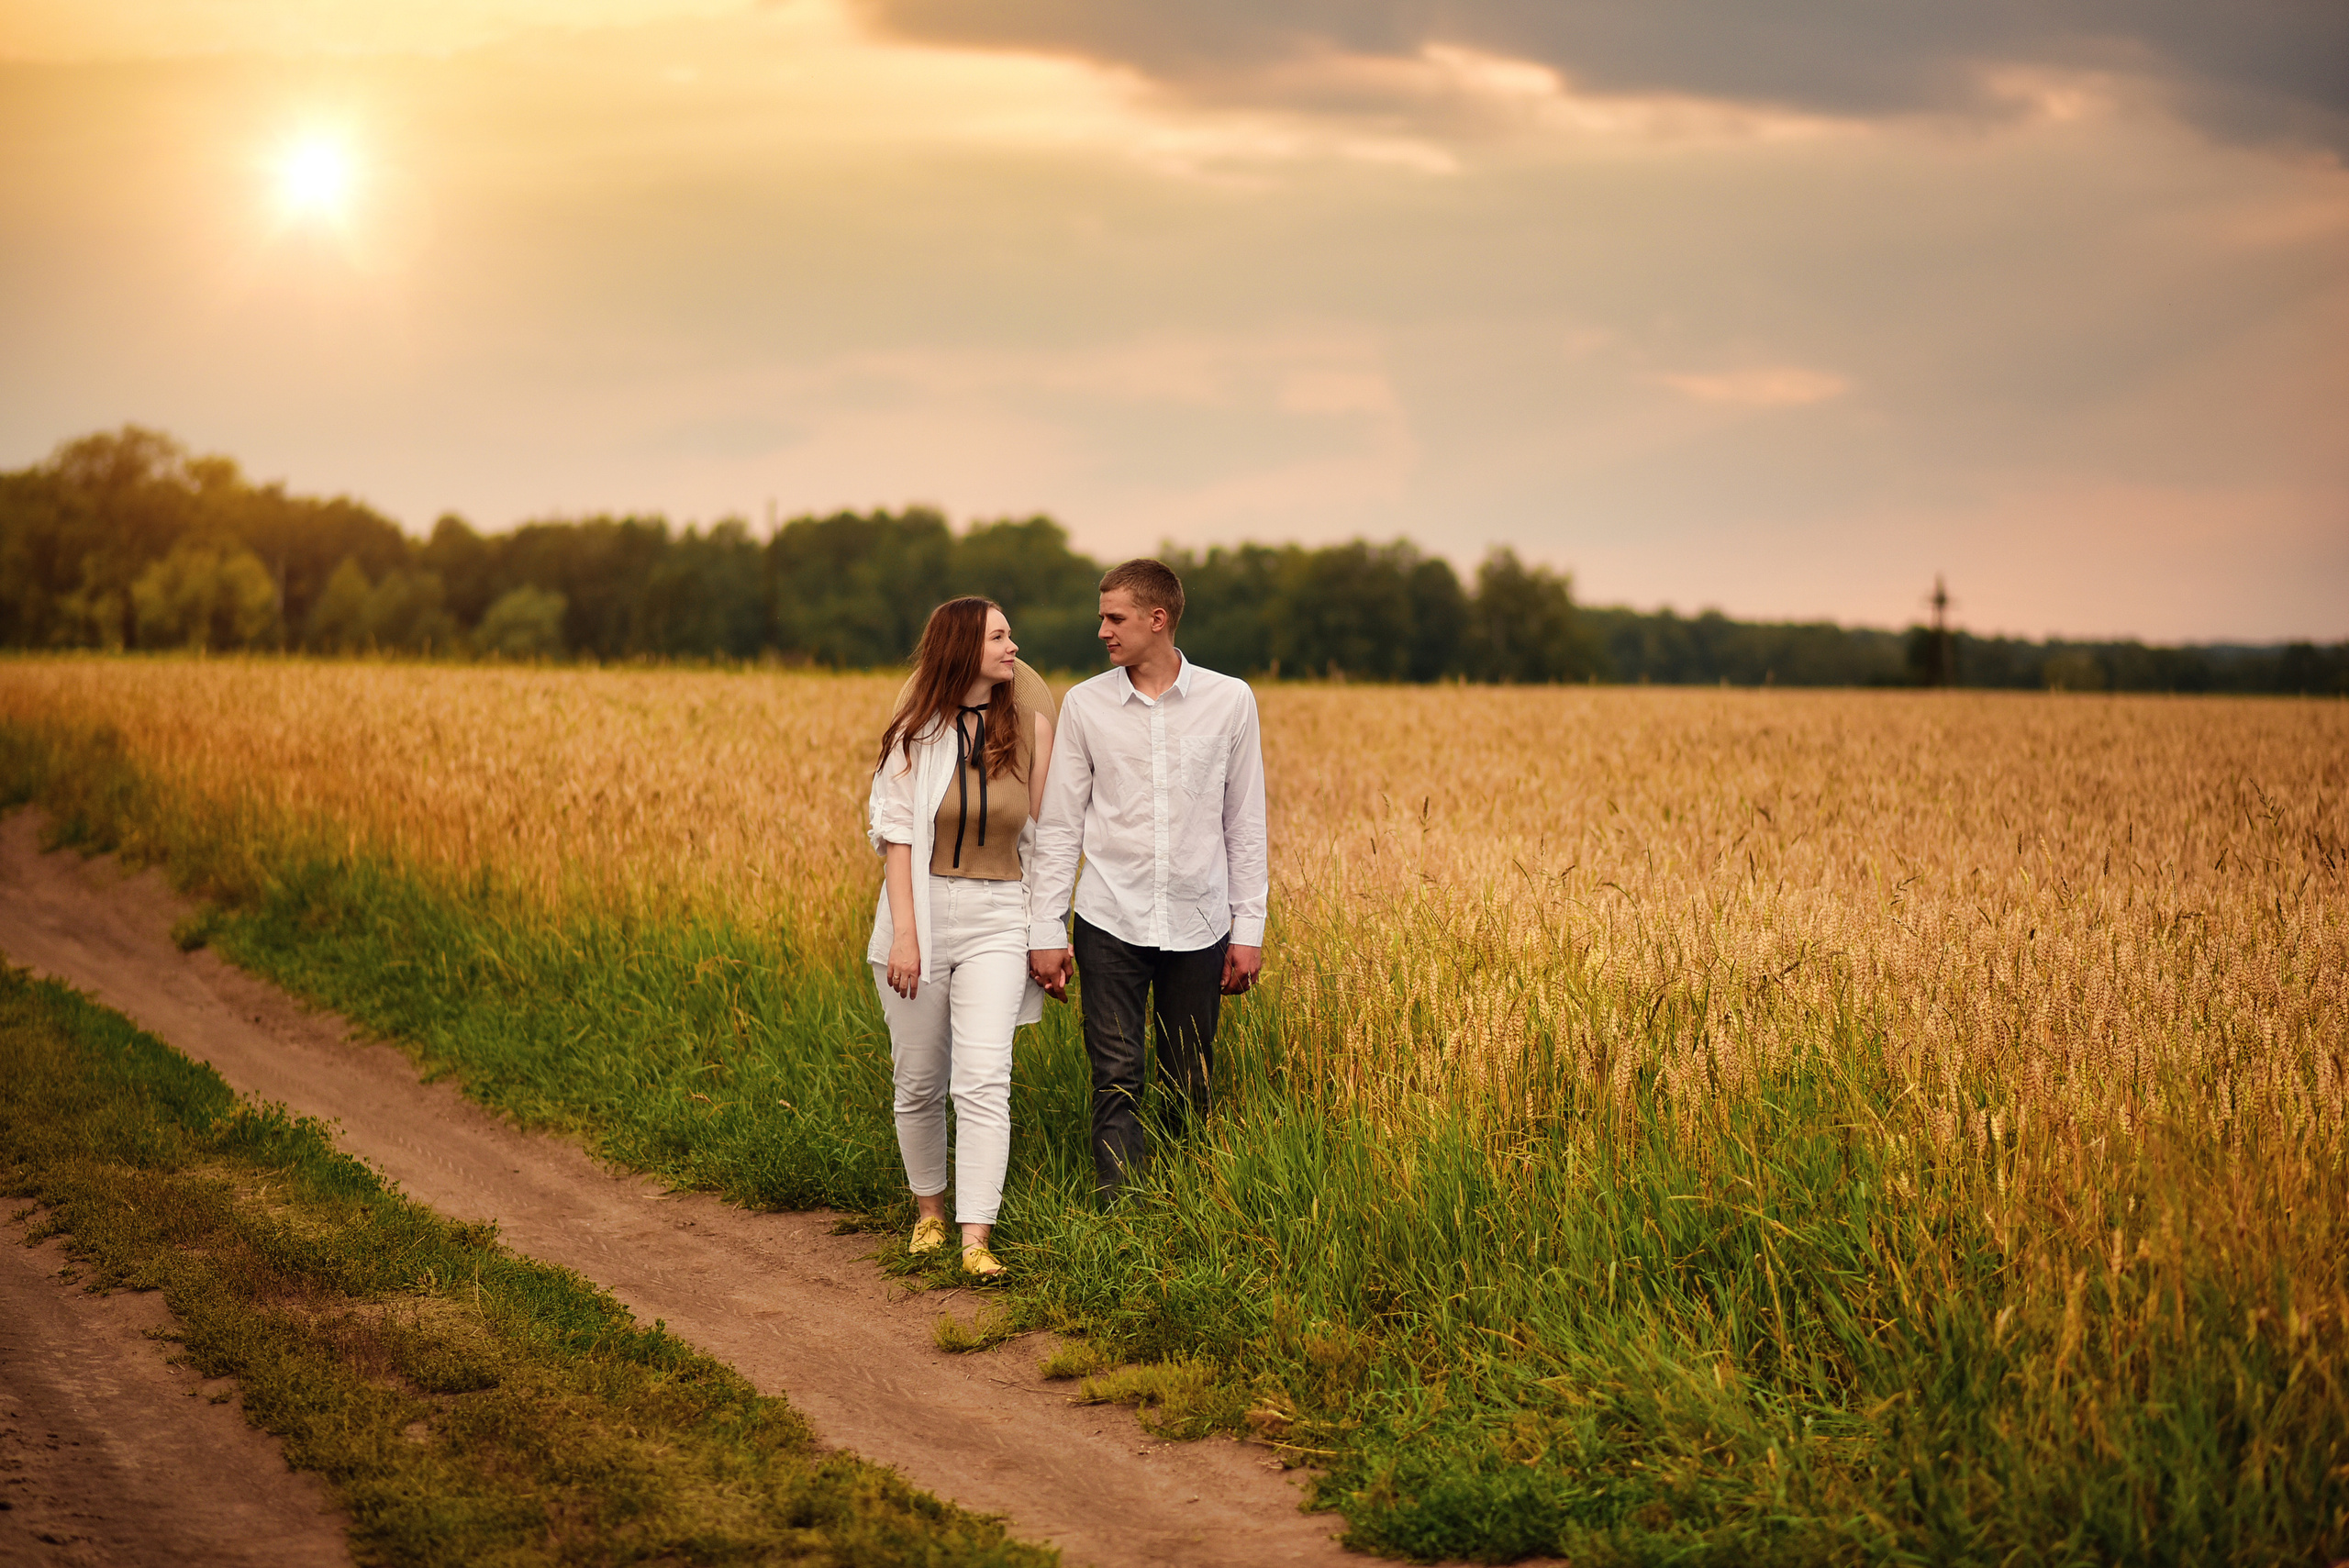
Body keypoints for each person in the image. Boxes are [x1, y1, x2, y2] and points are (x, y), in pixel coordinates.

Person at [1027, 559, 1267, 1199]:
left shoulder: (1230, 700)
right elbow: (1058, 827)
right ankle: (1121, 1218)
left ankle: (1187, 1212)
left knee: (1189, 1078)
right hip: (1110, 917)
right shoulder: (1085, 705)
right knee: (1116, 1075)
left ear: (1157, 619)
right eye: (1101, 615)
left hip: (1200, 922)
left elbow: (1245, 823)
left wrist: (1249, 929)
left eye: (1114, 616)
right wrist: (1046, 928)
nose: (1101, 629)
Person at [866, 597, 1056, 1277]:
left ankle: (978, 1238)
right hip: (921, 910)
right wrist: (907, 936)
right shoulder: (915, 732)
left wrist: (1046, 929)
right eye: (1000, 636)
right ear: (962, 648)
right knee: (918, 1079)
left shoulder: (1030, 728)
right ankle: (929, 1217)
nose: (1014, 646)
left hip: (999, 913)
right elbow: (897, 836)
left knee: (984, 1078)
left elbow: (1047, 836)